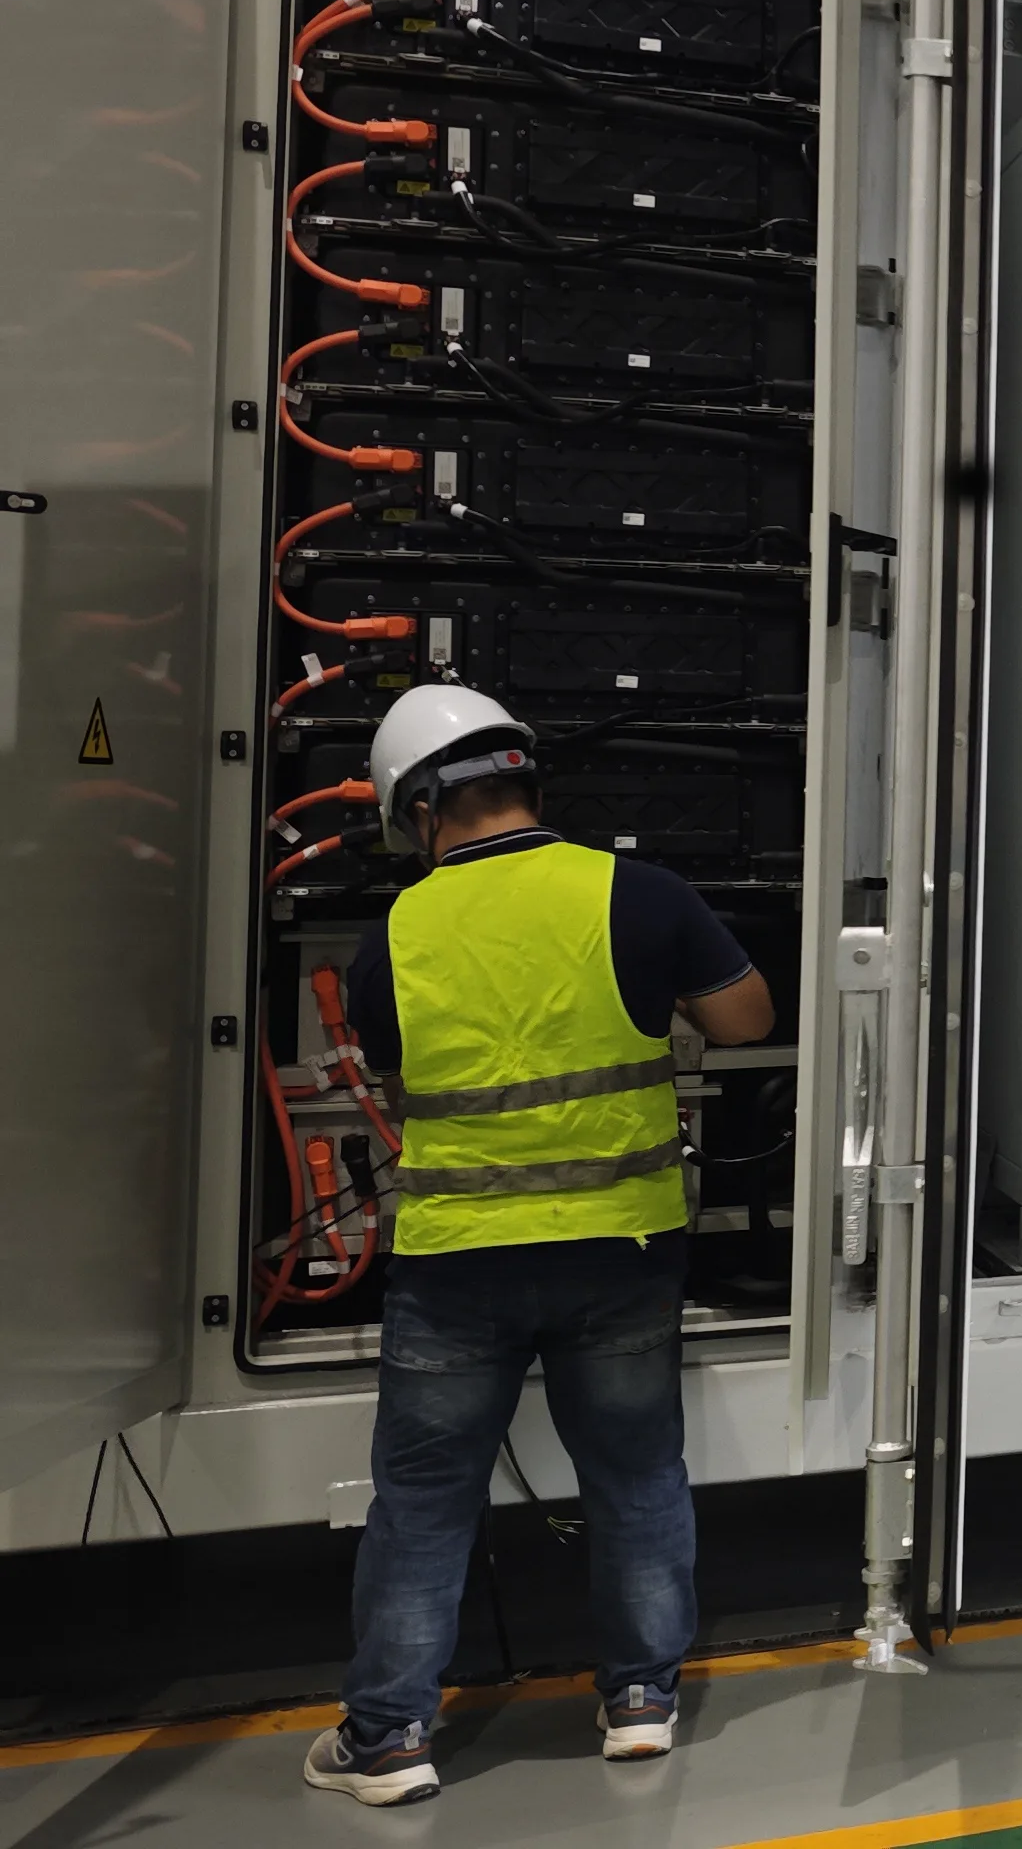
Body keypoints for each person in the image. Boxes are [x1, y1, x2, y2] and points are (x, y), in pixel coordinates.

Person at [302, 684, 770, 1807]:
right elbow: (746, 1019)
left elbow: (404, 1071)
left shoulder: (393, 939)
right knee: (635, 1474)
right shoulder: (639, 896)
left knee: (422, 1500)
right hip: (622, 1247)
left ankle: (389, 1740)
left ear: (420, 813)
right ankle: (641, 1703)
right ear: (525, 783)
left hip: (459, 1262)